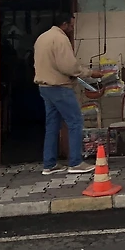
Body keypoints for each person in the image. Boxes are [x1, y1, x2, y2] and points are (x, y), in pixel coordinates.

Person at [33, 14, 104, 176]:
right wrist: (90, 73)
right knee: (75, 122)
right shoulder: (60, 38)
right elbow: (69, 66)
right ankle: (76, 162)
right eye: (71, 25)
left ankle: (49, 164)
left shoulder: (42, 38)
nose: (72, 28)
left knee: (52, 125)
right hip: (60, 87)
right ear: (64, 24)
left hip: (44, 87)